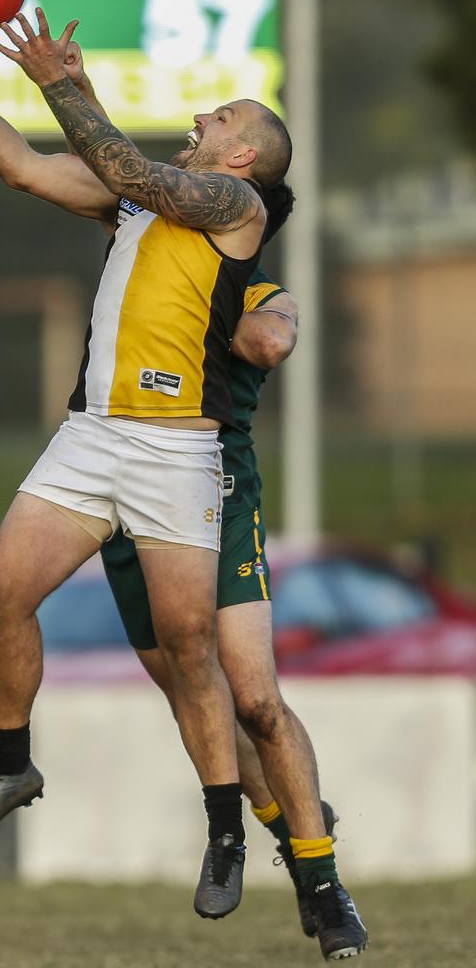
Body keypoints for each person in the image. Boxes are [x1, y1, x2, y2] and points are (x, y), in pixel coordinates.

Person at [0, 11, 365, 956]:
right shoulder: (138, 208)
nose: (201, 116)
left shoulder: (237, 210)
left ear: (245, 158)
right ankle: (15, 767)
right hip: (96, 439)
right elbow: (28, 168)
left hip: (192, 460)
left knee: (248, 694)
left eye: (220, 117)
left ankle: (314, 875)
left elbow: (141, 176)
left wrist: (63, 84)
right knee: (5, 598)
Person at [101, 256, 368, 960]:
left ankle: (323, 884)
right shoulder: (137, 245)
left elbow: (269, 342)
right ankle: (293, 827)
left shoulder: (261, 292)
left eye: (213, 136)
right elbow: (53, 180)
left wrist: (192, 307)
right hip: (129, 506)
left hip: (218, 498)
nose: (195, 140)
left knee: (256, 701)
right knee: (198, 694)